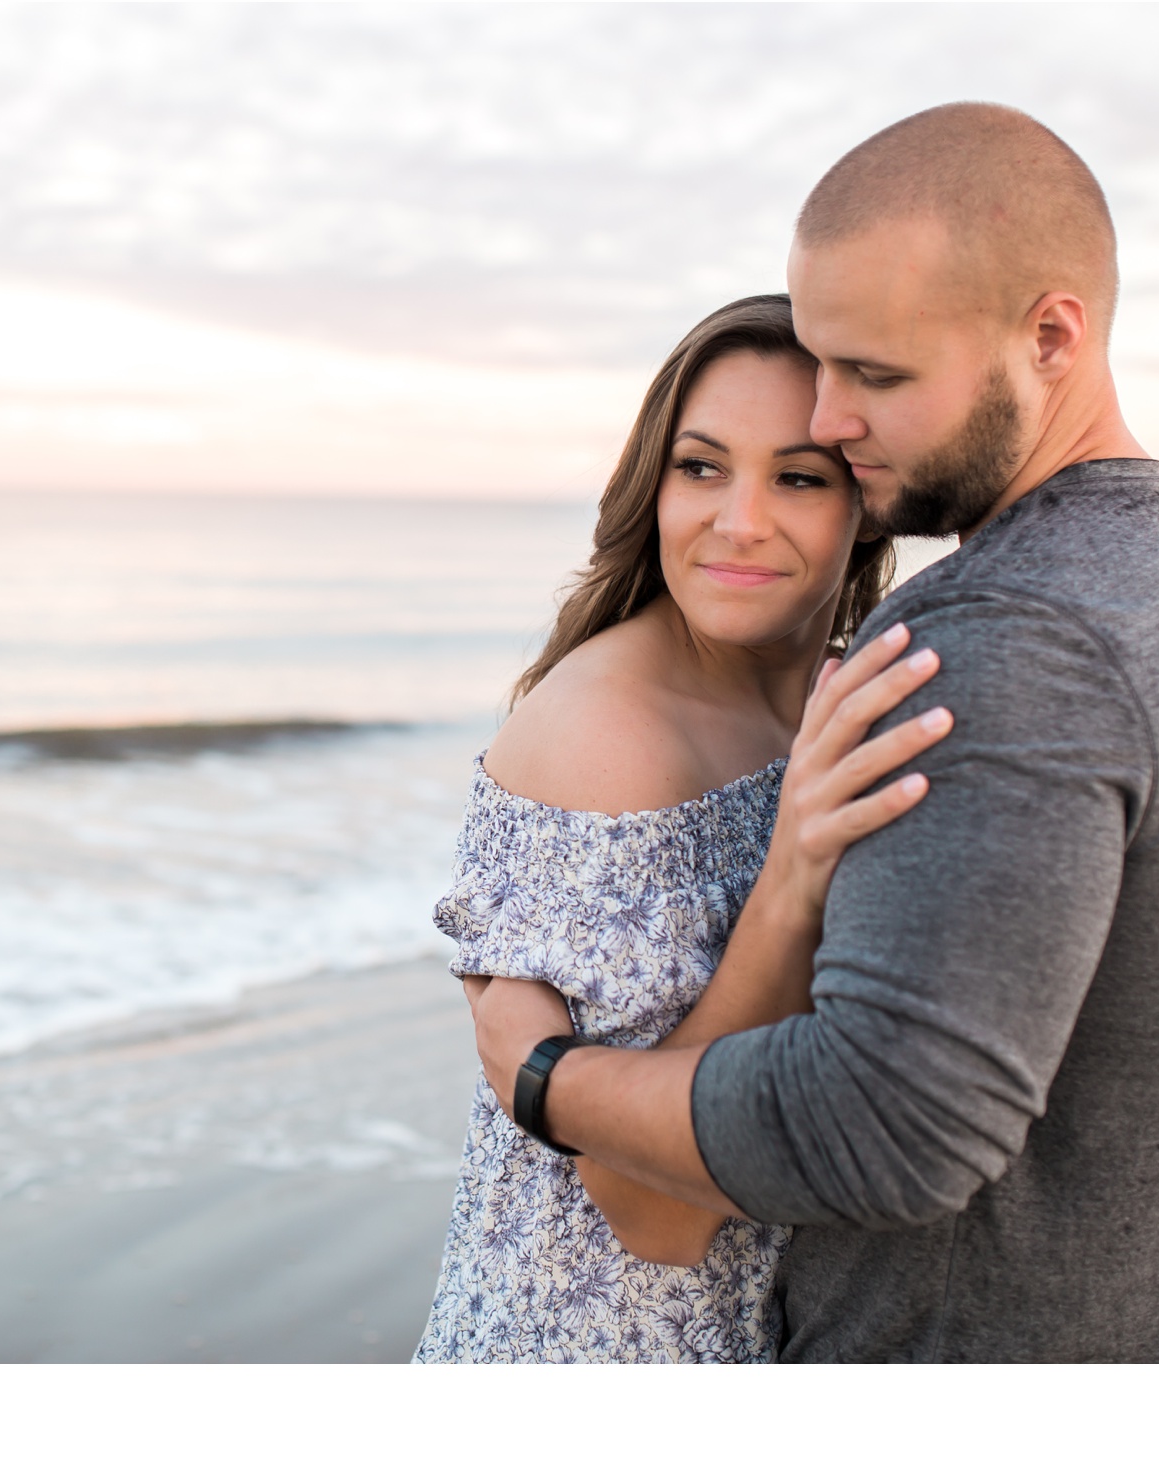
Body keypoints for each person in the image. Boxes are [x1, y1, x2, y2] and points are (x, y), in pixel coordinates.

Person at [467, 102, 1159, 1362]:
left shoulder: (1003, 637)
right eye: (823, 361)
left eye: (874, 377)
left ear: (1051, 336)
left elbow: (888, 1126)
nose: (828, 416)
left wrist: (548, 1079)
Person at [412, 294, 956, 1362]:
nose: (738, 520)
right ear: (649, 484)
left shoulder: (829, 692)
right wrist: (792, 874)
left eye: (797, 477)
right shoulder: (606, 736)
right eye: (699, 466)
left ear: (864, 506)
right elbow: (653, 1212)